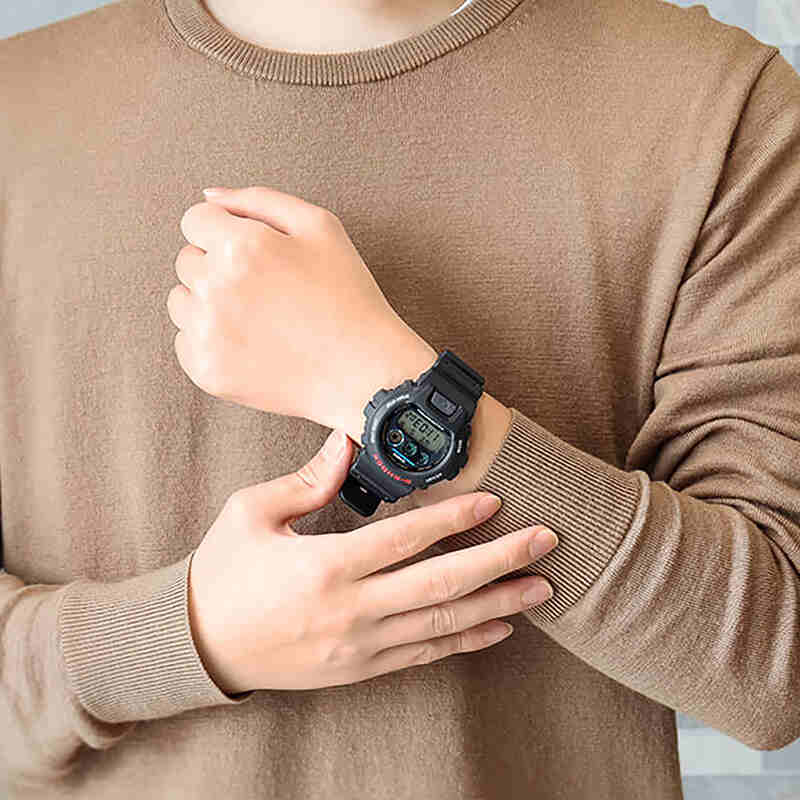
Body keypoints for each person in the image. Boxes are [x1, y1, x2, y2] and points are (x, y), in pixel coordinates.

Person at [0, 0, 799, 797]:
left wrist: (372, 379)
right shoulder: (17, 107)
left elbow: (774, 667)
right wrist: (189, 636)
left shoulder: (715, 103)